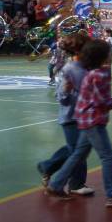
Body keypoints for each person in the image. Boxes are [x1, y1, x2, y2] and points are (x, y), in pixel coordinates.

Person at [44, 39, 112, 207]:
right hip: (93, 121)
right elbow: (102, 103)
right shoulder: (100, 75)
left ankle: (56, 185)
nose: (111, 55)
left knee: (78, 154)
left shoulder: (90, 73)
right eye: (108, 53)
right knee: (107, 157)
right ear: (103, 57)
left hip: (84, 119)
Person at [36, 33, 93, 196]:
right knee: (78, 150)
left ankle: (47, 167)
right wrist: (66, 92)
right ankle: (76, 184)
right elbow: (62, 97)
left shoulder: (85, 67)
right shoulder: (68, 69)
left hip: (83, 114)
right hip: (71, 116)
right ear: (79, 50)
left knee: (75, 148)